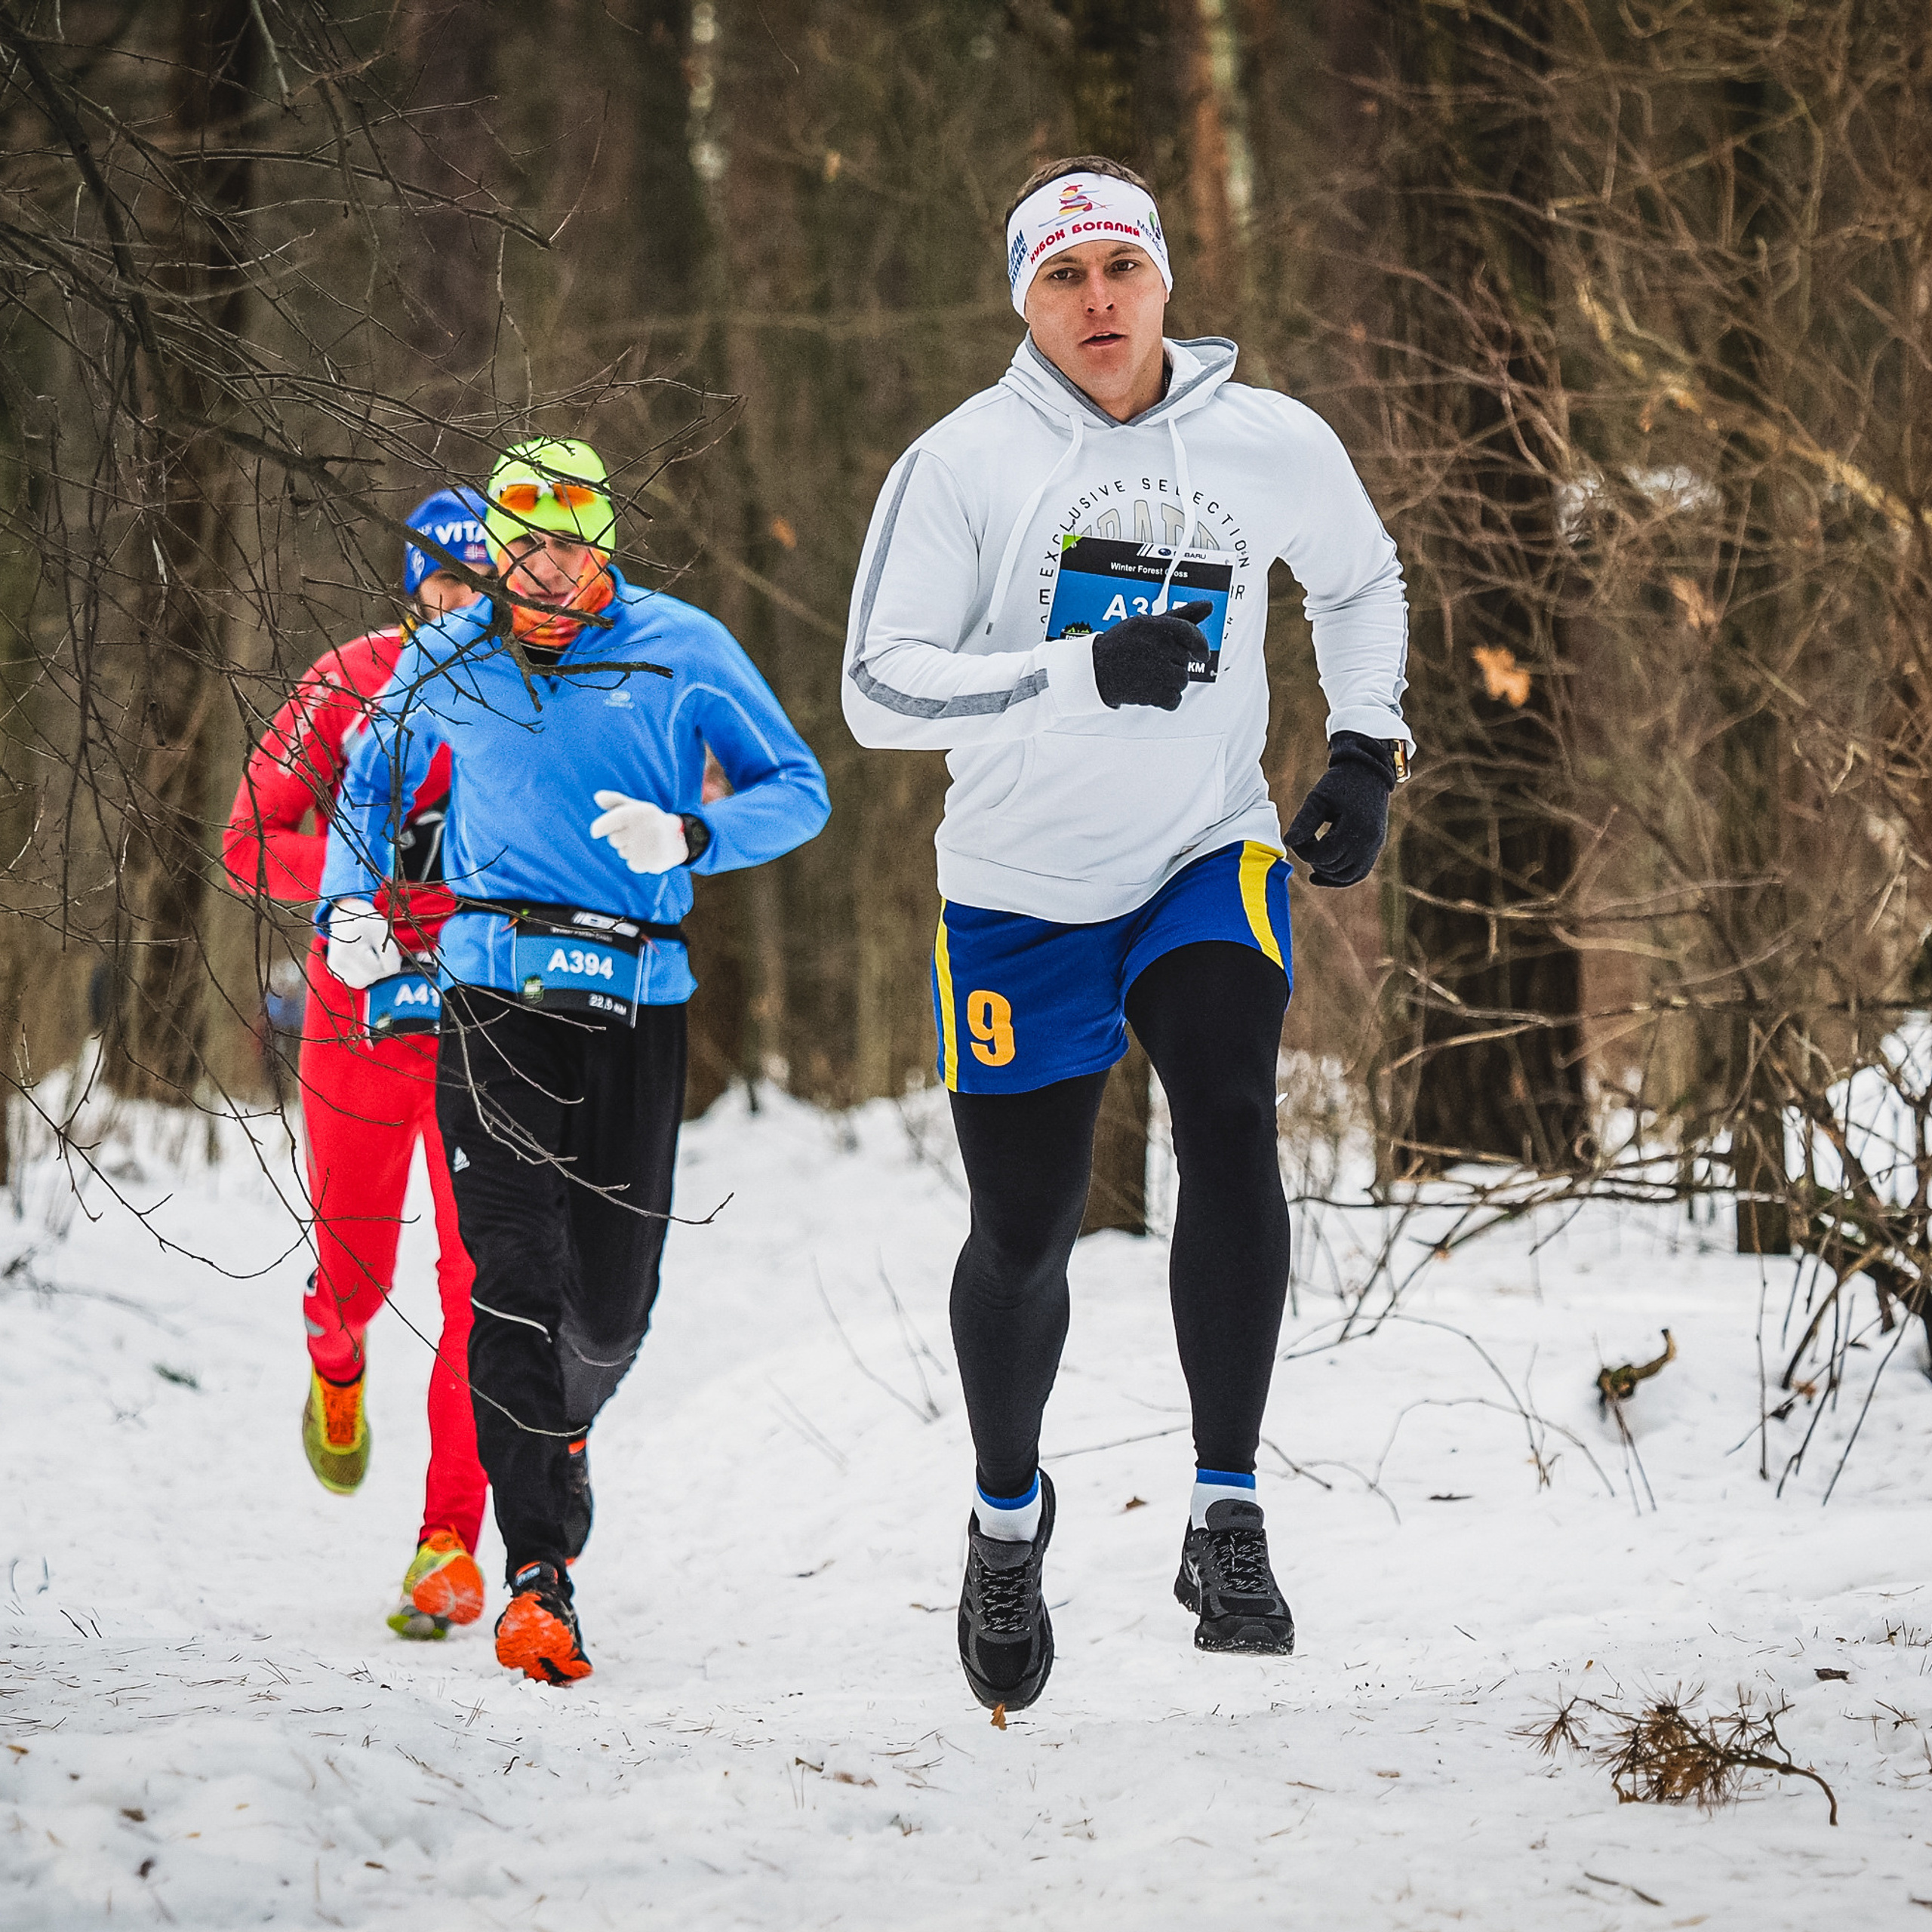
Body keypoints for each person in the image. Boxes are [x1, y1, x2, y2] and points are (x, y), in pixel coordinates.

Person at [843, 158, 1413, 1709]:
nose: (1095, 300)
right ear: (1021, 302)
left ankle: (1224, 1506)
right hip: (1017, 886)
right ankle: (1005, 1516)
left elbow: (1359, 584)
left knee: (1230, 1114)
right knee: (1022, 1230)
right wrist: (1074, 672)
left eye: (1118, 270)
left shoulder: (1264, 439)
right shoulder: (960, 464)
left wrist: (1364, 747)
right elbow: (877, 688)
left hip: (1199, 850)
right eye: (1059, 278)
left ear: (1162, 278)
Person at [321, 438, 829, 1684]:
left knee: (606, 1311)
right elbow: (364, 782)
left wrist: (694, 833)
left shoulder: (682, 646)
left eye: (570, 548)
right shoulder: (448, 657)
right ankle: (537, 1575)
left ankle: (567, 1427)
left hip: (638, 996)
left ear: (605, 545)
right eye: (521, 551)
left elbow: (802, 789)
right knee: (508, 1280)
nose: (546, 577)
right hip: (492, 995)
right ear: (492, 556)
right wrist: (351, 902)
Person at [224, 488, 496, 1642]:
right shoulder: (348, 679)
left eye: (487, 583)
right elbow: (248, 843)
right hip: (359, 1011)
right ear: (412, 579)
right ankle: (334, 1360)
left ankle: (448, 1544)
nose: (466, 603)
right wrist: (355, 880)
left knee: (486, 1288)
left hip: (487, 1018)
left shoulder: (537, 704)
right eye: (446, 579)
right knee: (360, 1270)